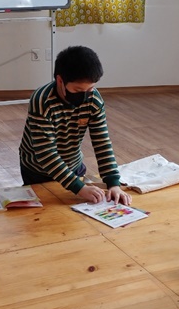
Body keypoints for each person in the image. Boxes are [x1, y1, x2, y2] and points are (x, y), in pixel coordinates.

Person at [19, 45, 131, 205]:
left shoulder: (94, 100)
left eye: (90, 89)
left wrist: (113, 183)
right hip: (38, 171)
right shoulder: (42, 101)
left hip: (73, 165)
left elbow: (102, 142)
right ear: (60, 80)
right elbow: (46, 154)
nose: (84, 96)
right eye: (78, 90)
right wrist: (79, 188)